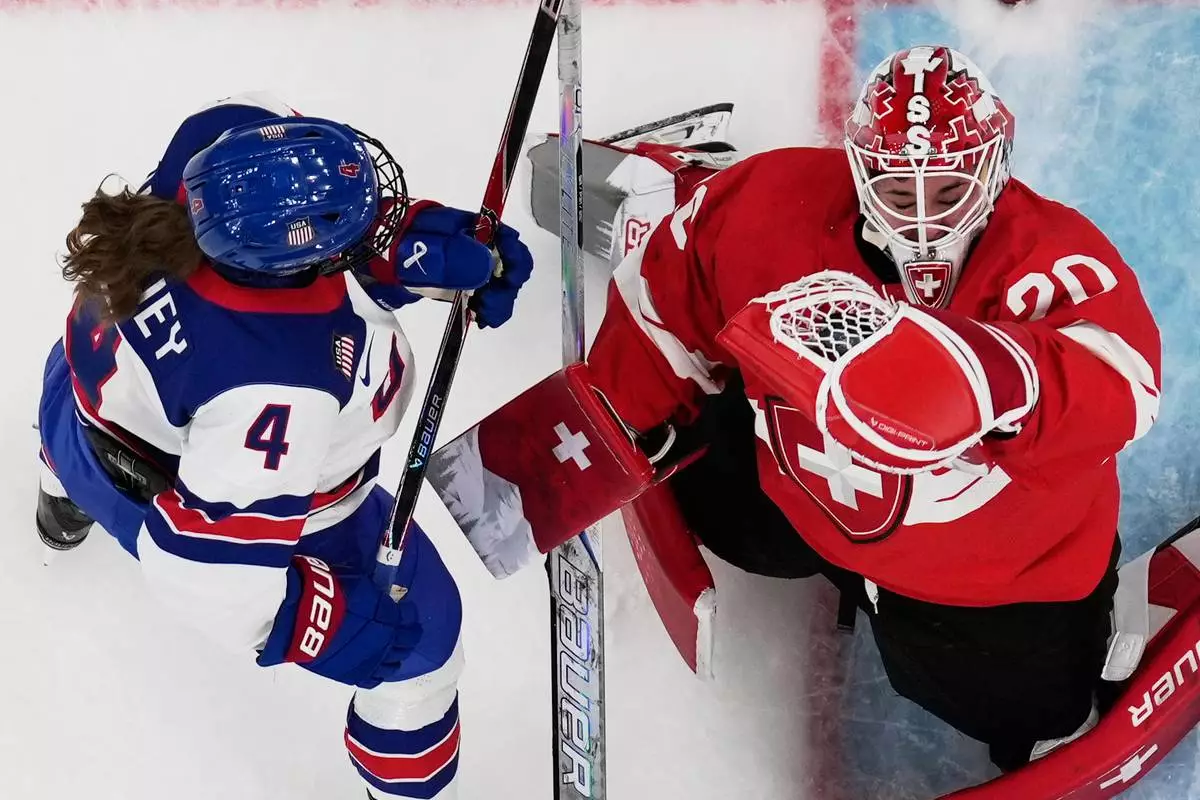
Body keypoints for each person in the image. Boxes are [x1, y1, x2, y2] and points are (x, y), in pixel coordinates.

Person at [577, 46, 1162, 770]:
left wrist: (990, 379)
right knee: (722, 506)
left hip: (988, 581)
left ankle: (1061, 670)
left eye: (946, 193)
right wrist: (616, 411)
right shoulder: (771, 205)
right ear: (859, 171)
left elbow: (1121, 381)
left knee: (1026, 710)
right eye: (895, 191)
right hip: (802, 495)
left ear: (992, 172)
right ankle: (679, 188)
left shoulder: (1050, 259)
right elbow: (676, 282)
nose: (921, 225)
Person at [34, 92, 534, 799]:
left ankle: (60, 500)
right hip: (241, 505)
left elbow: (313, 224)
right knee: (421, 647)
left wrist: (412, 243)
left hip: (81, 403)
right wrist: (316, 621)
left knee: (80, 428)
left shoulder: (214, 143)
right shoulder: (272, 393)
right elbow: (206, 576)